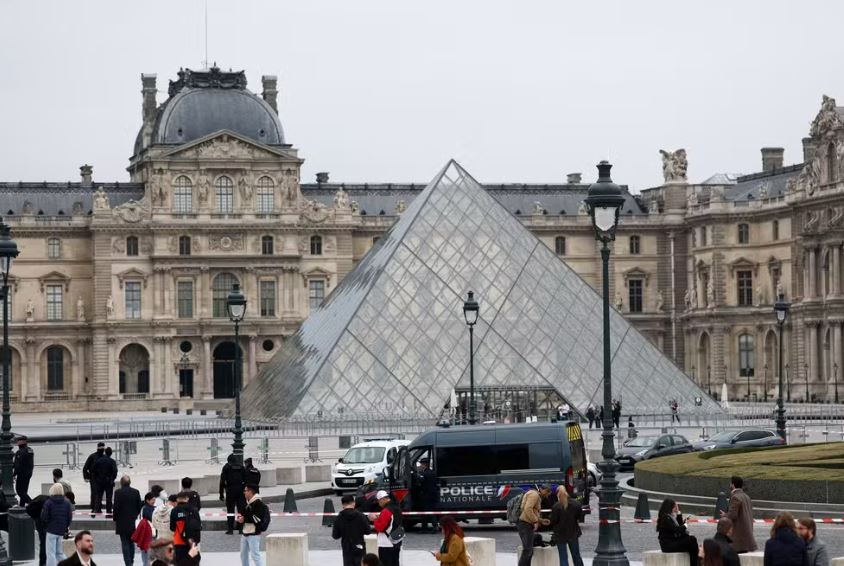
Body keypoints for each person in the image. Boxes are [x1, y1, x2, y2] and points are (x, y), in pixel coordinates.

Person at [656, 498, 699, 566]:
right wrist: (686, 525)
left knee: (691, 540)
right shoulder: (665, 518)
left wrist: (678, 513)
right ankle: (694, 563)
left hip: (672, 541)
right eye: (674, 506)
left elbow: (679, 526)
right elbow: (677, 529)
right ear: (670, 507)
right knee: (692, 540)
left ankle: (694, 562)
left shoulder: (669, 516)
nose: (675, 508)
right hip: (668, 545)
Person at [517, 484, 552, 566]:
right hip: (525, 524)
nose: (547, 494)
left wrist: (541, 520)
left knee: (529, 550)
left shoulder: (536, 495)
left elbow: (532, 510)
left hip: (526, 524)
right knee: (527, 550)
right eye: (547, 492)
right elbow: (527, 509)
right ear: (541, 489)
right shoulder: (534, 495)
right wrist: (536, 521)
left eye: (549, 493)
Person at [720, 476, 757, 553]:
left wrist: (724, 515)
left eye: (730, 483)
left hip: (738, 538)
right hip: (747, 535)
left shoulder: (735, 497)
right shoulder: (746, 497)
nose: (729, 485)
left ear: (733, 485)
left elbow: (733, 515)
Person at [549, 486, 584, 566]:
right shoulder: (576, 504)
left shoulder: (556, 506)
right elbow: (579, 517)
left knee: (563, 557)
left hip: (560, 534)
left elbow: (554, 521)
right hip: (573, 532)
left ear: (557, 494)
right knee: (576, 555)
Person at [333, 494, 371, 566]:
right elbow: (368, 531)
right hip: (359, 546)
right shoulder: (361, 516)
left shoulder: (339, 517)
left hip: (347, 548)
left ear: (343, 505)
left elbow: (335, 536)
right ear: (354, 503)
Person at [237, 484, 270, 566]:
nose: (244, 492)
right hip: (245, 532)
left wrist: (244, 519)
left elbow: (257, 519)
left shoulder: (258, 503)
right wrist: (241, 518)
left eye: (245, 490)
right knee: (243, 555)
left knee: (255, 556)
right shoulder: (248, 503)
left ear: (250, 492)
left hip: (254, 533)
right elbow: (244, 515)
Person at [113, 475, 143, 566]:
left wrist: (115, 518)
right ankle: (132, 561)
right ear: (130, 483)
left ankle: (128, 563)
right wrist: (135, 514)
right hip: (132, 521)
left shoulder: (118, 492)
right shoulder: (136, 492)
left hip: (121, 521)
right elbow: (139, 506)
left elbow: (116, 507)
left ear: (121, 483)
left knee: (124, 543)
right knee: (131, 542)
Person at [41, 483, 73, 566]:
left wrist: (47, 525)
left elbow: (44, 517)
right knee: (59, 553)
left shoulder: (49, 502)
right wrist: (65, 527)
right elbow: (69, 517)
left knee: (51, 553)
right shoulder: (67, 503)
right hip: (61, 531)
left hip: (51, 530)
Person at [368, 490, 402, 566]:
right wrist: (379, 518)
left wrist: (375, 519)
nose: (378, 503)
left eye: (379, 501)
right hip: (397, 540)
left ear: (383, 499)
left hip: (386, 543)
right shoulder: (397, 508)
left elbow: (380, 528)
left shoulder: (386, 510)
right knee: (395, 562)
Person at [171, 491, 202, 565]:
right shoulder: (194, 509)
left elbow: (172, 528)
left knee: (180, 562)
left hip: (179, 542)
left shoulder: (174, 510)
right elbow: (199, 525)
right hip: (192, 542)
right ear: (187, 499)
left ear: (177, 499)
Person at [219, 454, 246, 534]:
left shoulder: (226, 467)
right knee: (241, 510)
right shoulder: (241, 467)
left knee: (230, 510)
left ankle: (230, 529)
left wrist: (221, 494)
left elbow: (222, 482)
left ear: (229, 460)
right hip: (240, 490)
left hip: (230, 491)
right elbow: (246, 480)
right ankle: (241, 529)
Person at [134, 492, 158, 566]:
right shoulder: (148, 509)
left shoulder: (144, 508)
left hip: (144, 533)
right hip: (149, 533)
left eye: (154, 499)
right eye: (152, 500)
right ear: (147, 500)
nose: (154, 501)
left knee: (145, 552)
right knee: (149, 552)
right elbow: (152, 519)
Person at [27, 493, 50, 566]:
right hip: (42, 522)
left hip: (38, 521)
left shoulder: (42, 498)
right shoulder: (48, 502)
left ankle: (42, 562)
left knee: (42, 542)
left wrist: (35, 517)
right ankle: (44, 562)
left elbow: (28, 508)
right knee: (44, 543)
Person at [93, 447, 118, 514]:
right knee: (109, 497)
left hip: (99, 481)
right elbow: (115, 471)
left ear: (105, 452)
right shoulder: (112, 461)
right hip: (109, 481)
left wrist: (96, 478)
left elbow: (94, 470)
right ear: (111, 453)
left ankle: (98, 509)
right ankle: (108, 510)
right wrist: (112, 479)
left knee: (99, 496)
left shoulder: (99, 460)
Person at [418, 457, 439, 533]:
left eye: (422, 464)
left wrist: (418, 476)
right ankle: (425, 527)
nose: (421, 465)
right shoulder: (431, 472)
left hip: (428, 495)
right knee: (426, 511)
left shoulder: (425, 473)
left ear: (425, 464)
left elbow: (421, 481)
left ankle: (434, 526)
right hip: (431, 495)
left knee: (428, 511)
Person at [83, 442, 105, 510]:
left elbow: (85, 468)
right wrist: (86, 477)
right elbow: (85, 468)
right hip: (94, 478)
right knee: (95, 493)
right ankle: (94, 507)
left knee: (98, 493)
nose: (102, 449)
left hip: (100, 478)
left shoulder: (99, 457)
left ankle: (97, 507)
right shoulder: (93, 457)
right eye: (101, 447)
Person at [13, 435, 34, 504]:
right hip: (29, 473)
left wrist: (14, 474)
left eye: (18, 441)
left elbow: (18, 465)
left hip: (22, 474)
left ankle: (32, 504)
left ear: (20, 442)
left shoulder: (19, 452)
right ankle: (22, 505)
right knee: (24, 491)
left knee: (19, 491)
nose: (17, 443)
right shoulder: (30, 450)